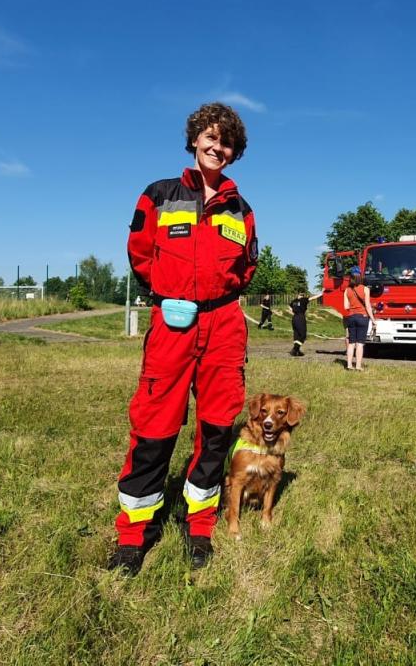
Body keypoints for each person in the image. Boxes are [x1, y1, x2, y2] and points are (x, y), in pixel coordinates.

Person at [110, 103, 258, 575]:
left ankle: (199, 526)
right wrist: (169, 293)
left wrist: (215, 301)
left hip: (224, 328)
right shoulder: (159, 194)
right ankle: (135, 534)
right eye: (211, 138)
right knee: (154, 427)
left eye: (227, 142)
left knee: (216, 431)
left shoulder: (242, 209)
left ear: (234, 153)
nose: (218, 147)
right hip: (173, 323)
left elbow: (247, 267)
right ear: (195, 139)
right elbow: (139, 252)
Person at [343, 267, 375, 371]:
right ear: (360, 276)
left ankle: (348, 365)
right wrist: (373, 320)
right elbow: (368, 306)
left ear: (351, 277)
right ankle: (358, 366)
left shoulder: (347, 290)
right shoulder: (366, 289)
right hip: (362, 317)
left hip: (351, 317)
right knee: (360, 344)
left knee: (351, 343)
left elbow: (346, 307)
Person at [289, 291, 310, 356]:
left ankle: (297, 351)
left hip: (294, 318)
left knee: (296, 334)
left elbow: (289, 306)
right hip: (300, 317)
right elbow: (312, 298)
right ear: (302, 296)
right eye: (302, 295)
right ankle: (295, 349)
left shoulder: (294, 301)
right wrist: (322, 293)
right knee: (303, 335)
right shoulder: (303, 300)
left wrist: (293, 312)